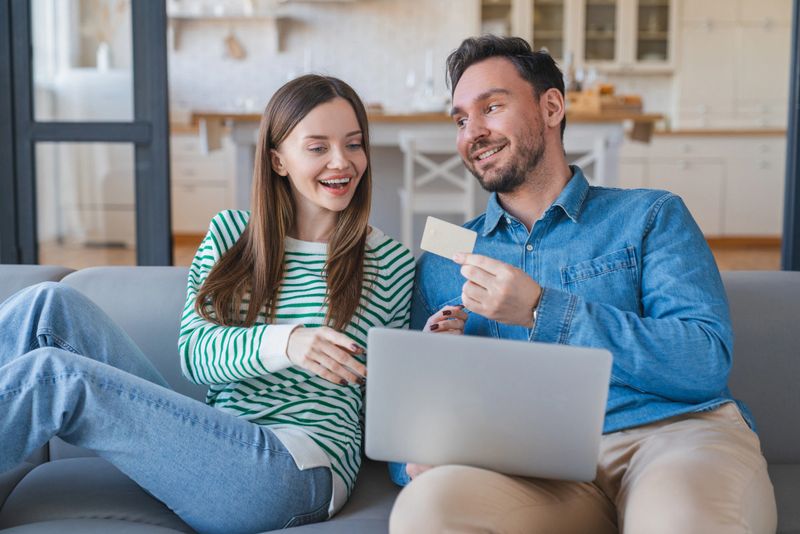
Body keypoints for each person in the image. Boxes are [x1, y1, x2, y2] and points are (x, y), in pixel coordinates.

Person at [388, 36, 777, 534]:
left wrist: (541, 309)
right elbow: (410, 415)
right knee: (426, 510)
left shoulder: (649, 215)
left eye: (492, 107)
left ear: (551, 107)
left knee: (680, 521)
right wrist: (415, 459)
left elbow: (703, 361)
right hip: (531, 468)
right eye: (461, 119)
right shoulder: (445, 260)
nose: (474, 132)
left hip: (672, 436)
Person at [0, 74, 414, 533]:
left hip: (296, 471)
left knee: (58, 378)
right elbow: (197, 357)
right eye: (318, 147)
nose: (342, 162)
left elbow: (391, 399)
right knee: (47, 304)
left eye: (354, 144)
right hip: (213, 447)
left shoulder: (389, 262)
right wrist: (288, 343)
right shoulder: (231, 234)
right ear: (277, 160)